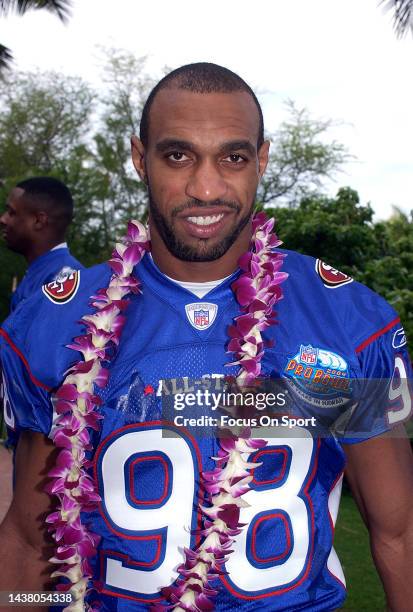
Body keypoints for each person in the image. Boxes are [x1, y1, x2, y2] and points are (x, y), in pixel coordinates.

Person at [0, 63, 412, 612]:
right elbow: (29, 544)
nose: (206, 187)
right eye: (178, 156)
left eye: (233, 158)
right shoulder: (58, 321)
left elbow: (398, 533)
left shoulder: (353, 320)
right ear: (139, 159)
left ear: (261, 161)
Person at [0, 176, 83, 312]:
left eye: (11, 212)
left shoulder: (65, 281)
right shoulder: (42, 272)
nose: (3, 219)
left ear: (39, 221)